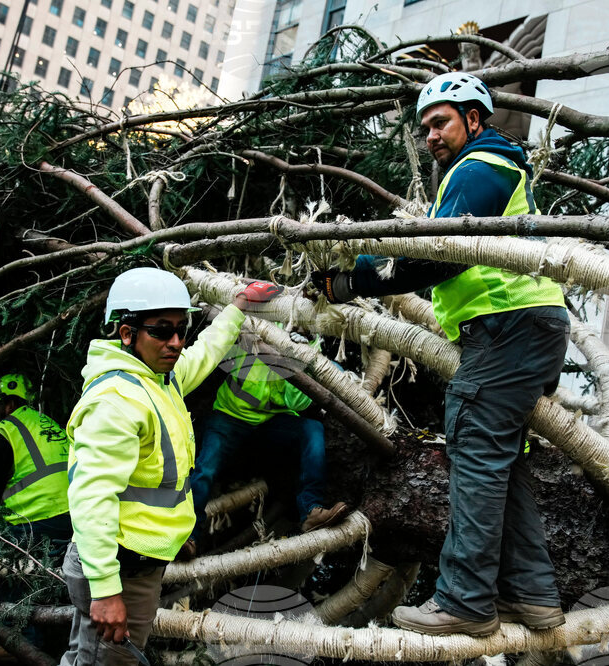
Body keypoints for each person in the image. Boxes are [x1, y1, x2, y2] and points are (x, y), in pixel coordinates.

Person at [313, 72, 569, 637]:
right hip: (523, 328)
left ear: (474, 120)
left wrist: (350, 281)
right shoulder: (480, 167)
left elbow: (437, 256)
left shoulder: (481, 167)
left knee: (475, 452)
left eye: (441, 122)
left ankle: (465, 602)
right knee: (502, 463)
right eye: (425, 127)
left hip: (508, 326)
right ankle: (531, 598)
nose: (430, 134)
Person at [59, 267, 280, 666]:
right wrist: (107, 590)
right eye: (162, 330)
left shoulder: (159, 380)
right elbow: (91, 499)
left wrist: (237, 308)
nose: (176, 342)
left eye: (182, 328)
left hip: (131, 564)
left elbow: (204, 353)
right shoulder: (117, 403)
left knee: (85, 657)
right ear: (127, 333)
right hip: (119, 569)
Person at [186, 328, 348, 555]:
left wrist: (297, 356)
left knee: (312, 429)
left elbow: (297, 402)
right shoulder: (264, 327)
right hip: (229, 415)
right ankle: (189, 537)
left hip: (271, 423)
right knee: (206, 469)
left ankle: (312, 511)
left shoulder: (309, 347)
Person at [0, 372, 73, 663]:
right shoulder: (47, 423)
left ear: (2, 405)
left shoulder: (7, 429)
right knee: (46, 575)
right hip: (74, 513)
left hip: (38, 515)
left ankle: (18, 642)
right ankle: (56, 633)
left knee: (11, 570)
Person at [0, 372, 73, 545]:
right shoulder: (52, 425)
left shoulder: (7, 429)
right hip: (75, 521)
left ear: (9, 404)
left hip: (34, 524)